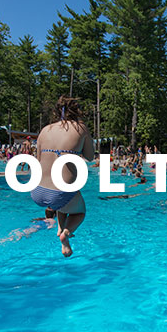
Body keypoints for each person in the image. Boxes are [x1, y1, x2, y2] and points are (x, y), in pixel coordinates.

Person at [30, 96, 95, 257]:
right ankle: (65, 232)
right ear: (76, 111)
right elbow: (90, 156)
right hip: (62, 191)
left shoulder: (45, 130)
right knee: (79, 212)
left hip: (37, 190)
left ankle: (59, 228)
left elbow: (38, 160)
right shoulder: (80, 128)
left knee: (62, 203)